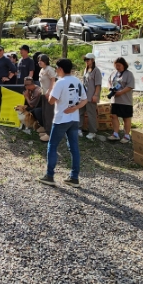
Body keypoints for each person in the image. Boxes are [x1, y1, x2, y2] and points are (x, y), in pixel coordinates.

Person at [39, 58, 87, 188]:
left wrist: (50, 90)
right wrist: (74, 108)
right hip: (74, 119)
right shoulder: (77, 81)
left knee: (52, 146)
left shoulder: (60, 82)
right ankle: (74, 177)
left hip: (61, 119)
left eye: (56, 69)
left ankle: (49, 175)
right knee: (74, 148)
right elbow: (84, 100)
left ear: (60, 69)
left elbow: (51, 101)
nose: (56, 71)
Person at [107, 57, 135, 143]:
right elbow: (109, 82)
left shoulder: (128, 74)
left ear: (124, 65)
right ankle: (115, 134)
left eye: (119, 65)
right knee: (114, 116)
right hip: (115, 100)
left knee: (126, 118)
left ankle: (126, 135)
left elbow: (130, 86)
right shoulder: (113, 73)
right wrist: (110, 88)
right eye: (116, 65)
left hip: (125, 100)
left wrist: (121, 92)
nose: (117, 67)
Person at [82, 53, 103, 140]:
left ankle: (92, 131)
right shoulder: (86, 69)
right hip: (84, 96)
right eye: (85, 60)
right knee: (80, 112)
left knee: (91, 114)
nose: (86, 61)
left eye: (88, 59)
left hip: (91, 96)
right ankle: (79, 129)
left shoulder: (96, 71)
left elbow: (98, 84)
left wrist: (95, 95)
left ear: (93, 60)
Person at [38, 54, 57, 131]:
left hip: (49, 94)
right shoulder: (42, 69)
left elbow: (53, 81)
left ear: (45, 61)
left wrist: (49, 91)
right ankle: (45, 128)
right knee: (44, 112)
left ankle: (49, 131)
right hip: (43, 93)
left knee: (49, 113)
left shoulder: (49, 69)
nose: (39, 62)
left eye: (41, 61)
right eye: (38, 61)